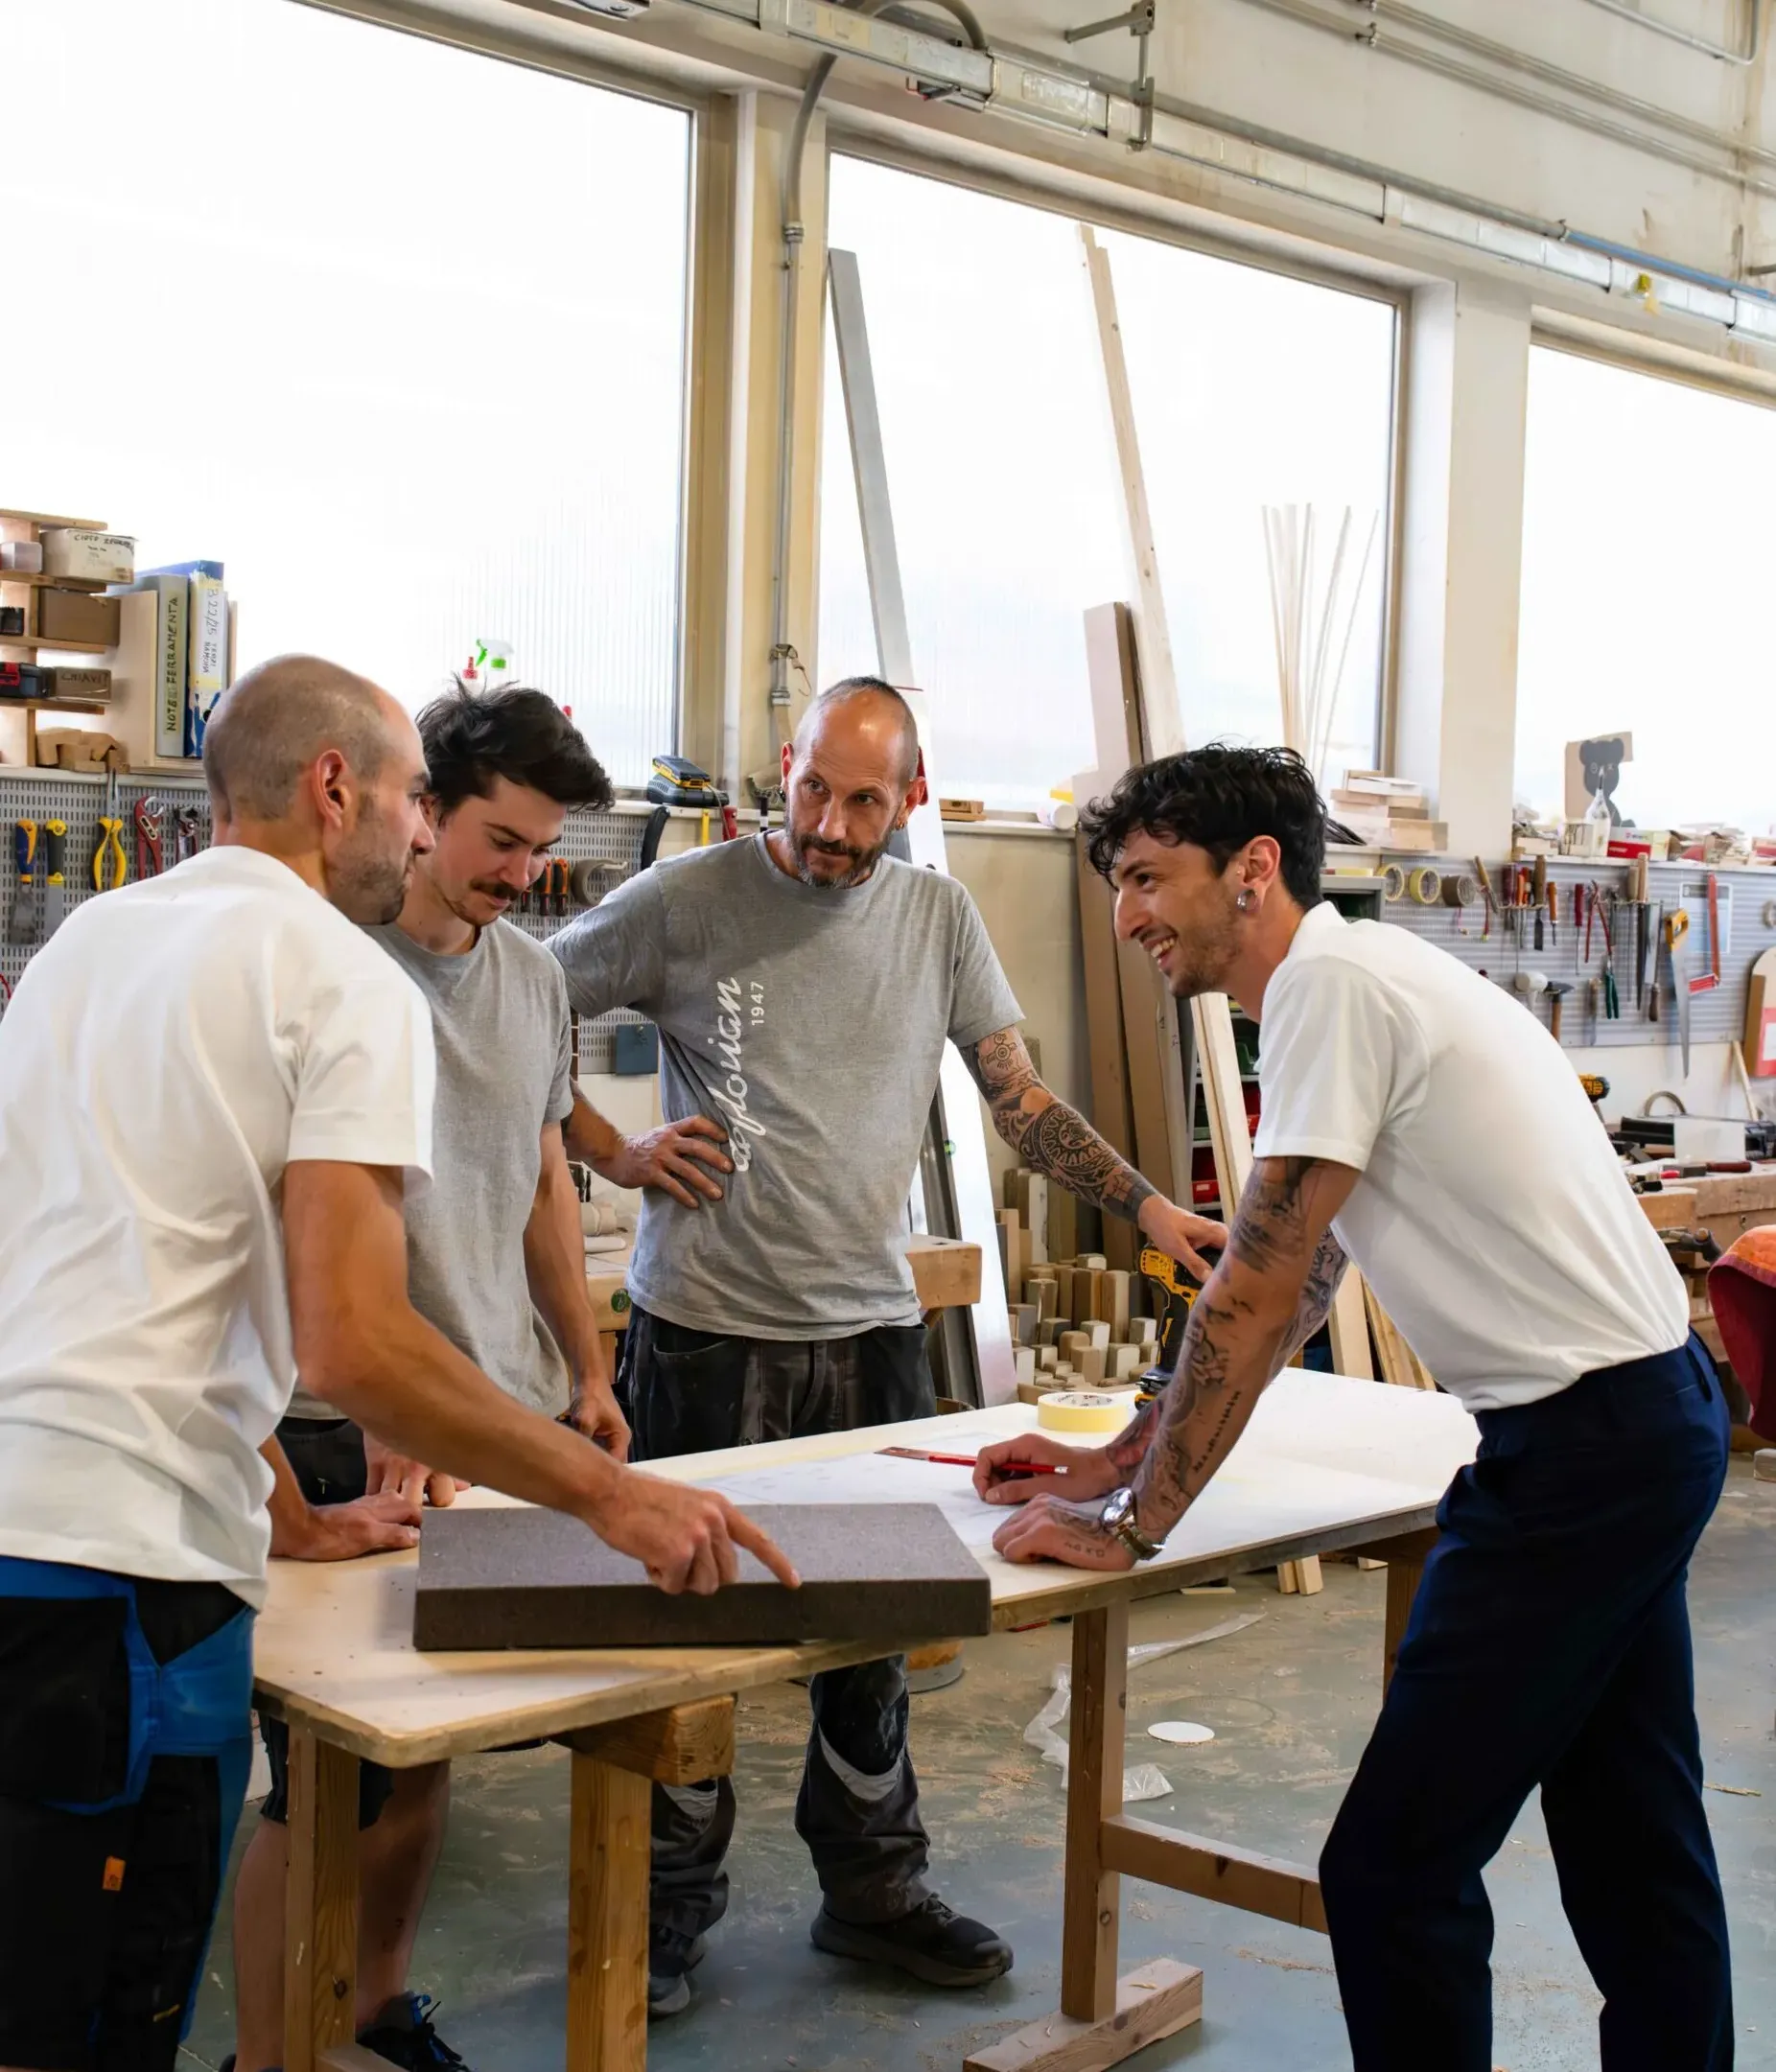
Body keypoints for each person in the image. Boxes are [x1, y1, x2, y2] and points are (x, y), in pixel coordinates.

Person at [0, 657, 794, 2072]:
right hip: (123, 1589)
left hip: (30, 1536)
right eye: (419, 801)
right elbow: (352, 1341)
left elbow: (127, 1284)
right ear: (333, 788)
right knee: (100, 2027)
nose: (425, 836)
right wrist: (612, 1500)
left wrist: (285, 1510)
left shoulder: (87, 945)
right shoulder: (330, 975)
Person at [975, 745, 1733, 2072]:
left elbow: (1257, 1296)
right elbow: (1310, 1271)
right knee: (1633, 1841)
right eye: (1116, 887)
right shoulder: (1370, 981)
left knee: (1392, 1870)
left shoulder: (1329, 985)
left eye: (1150, 877)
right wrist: (1122, 1450)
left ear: (1254, 870)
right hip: (1643, 1427)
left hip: (1581, 1458)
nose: (1127, 915)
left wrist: (1132, 1528)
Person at [549, 677, 1222, 2016]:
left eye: (866, 800)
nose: (833, 825)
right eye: (812, 788)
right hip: (704, 1339)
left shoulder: (936, 913)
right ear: (781, 767)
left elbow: (1016, 1097)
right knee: (688, 1642)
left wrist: (1146, 1205)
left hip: (869, 1337)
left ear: (909, 798)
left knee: (875, 1633)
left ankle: (873, 1890)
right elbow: (510, 1006)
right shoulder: (687, 901)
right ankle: (664, 1910)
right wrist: (610, 1148)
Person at [228, 680, 666, 2072]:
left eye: (542, 851)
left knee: (423, 1766)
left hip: (488, 1416)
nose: (520, 876)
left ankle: (369, 2010)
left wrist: (585, 1367)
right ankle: (273, 2051)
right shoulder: (329, 966)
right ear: (421, 813)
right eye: (500, 839)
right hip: (342, 1423)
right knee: (320, 1784)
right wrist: (378, 1409)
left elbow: (541, 1176)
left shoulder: (531, 978)